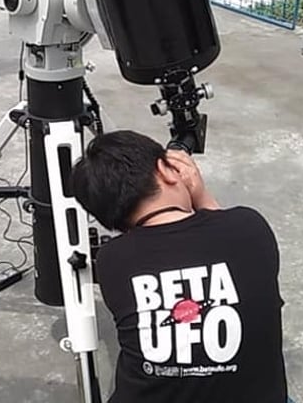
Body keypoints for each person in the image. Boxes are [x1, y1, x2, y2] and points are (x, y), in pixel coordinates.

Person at [71, 130, 288, 403]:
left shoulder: (112, 260)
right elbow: (222, 231)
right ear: (167, 169)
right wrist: (202, 195)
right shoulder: (248, 227)